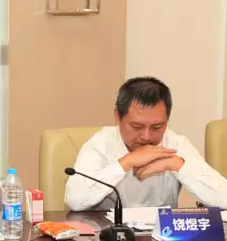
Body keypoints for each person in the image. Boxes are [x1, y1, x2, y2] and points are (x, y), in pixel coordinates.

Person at [65, 76, 227, 211]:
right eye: (137, 127)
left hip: (163, 235)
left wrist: (176, 164)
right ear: (117, 116)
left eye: (157, 127)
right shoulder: (101, 143)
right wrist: (126, 162)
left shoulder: (175, 143)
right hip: (110, 234)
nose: (147, 136)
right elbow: (75, 200)